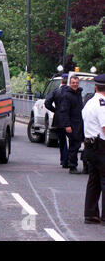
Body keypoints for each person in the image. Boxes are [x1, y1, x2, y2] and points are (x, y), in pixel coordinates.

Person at [82, 74, 105, 225]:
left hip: (89, 146)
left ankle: (90, 214)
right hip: (101, 146)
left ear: (95, 86)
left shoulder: (89, 102)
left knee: (94, 180)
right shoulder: (102, 104)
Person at [59, 75, 84, 174]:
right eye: (73, 83)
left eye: (77, 83)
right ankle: (72, 166)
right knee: (74, 145)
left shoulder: (78, 94)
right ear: (70, 83)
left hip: (79, 124)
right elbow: (64, 111)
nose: (75, 84)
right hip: (72, 125)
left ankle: (73, 164)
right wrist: (67, 125)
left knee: (77, 145)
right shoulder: (67, 96)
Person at [44, 73, 69, 168]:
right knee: (70, 141)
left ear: (61, 80)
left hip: (58, 119)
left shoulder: (56, 91)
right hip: (69, 119)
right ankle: (68, 159)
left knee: (62, 141)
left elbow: (47, 103)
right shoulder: (71, 92)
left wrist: (55, 110)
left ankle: (63, 160)